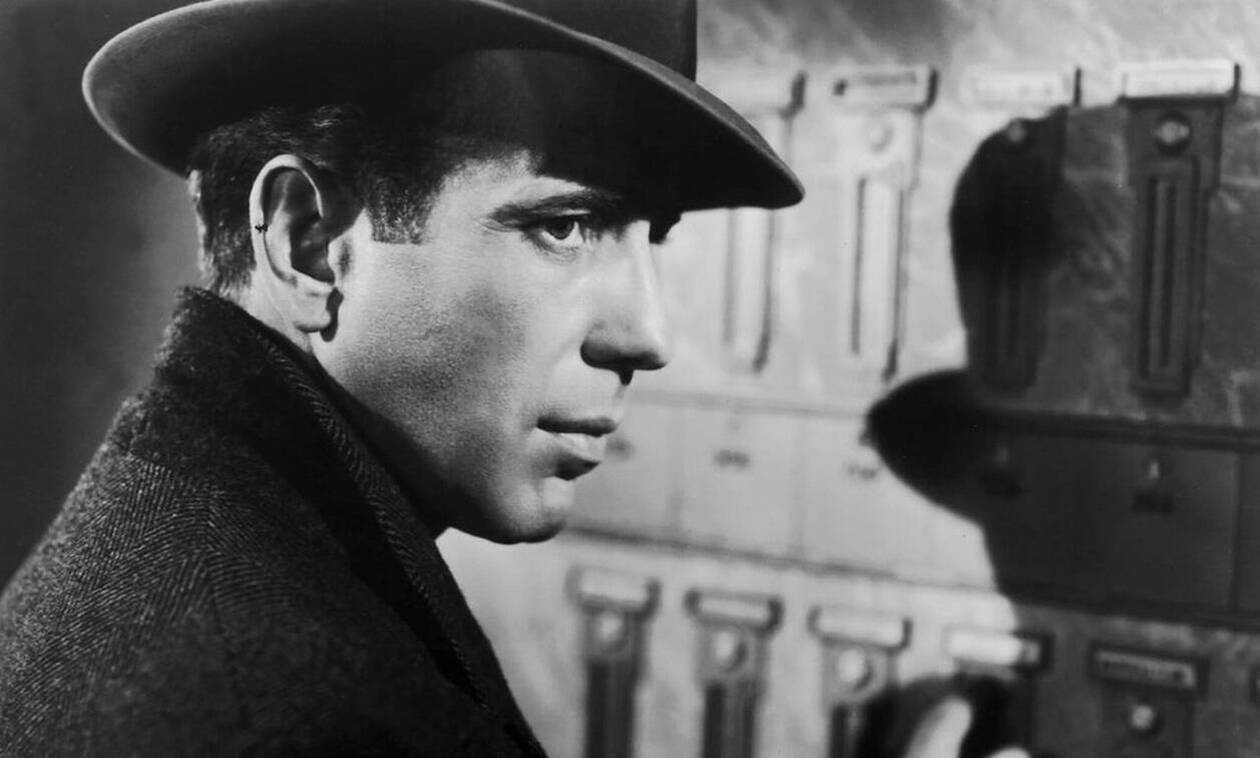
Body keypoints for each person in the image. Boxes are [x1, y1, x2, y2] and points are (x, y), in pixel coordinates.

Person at [0, 0, 801, 754]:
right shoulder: (302, 720)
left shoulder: (175, 527)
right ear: (309, 244)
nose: (648, 337)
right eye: (565, 226)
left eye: (652, 235)